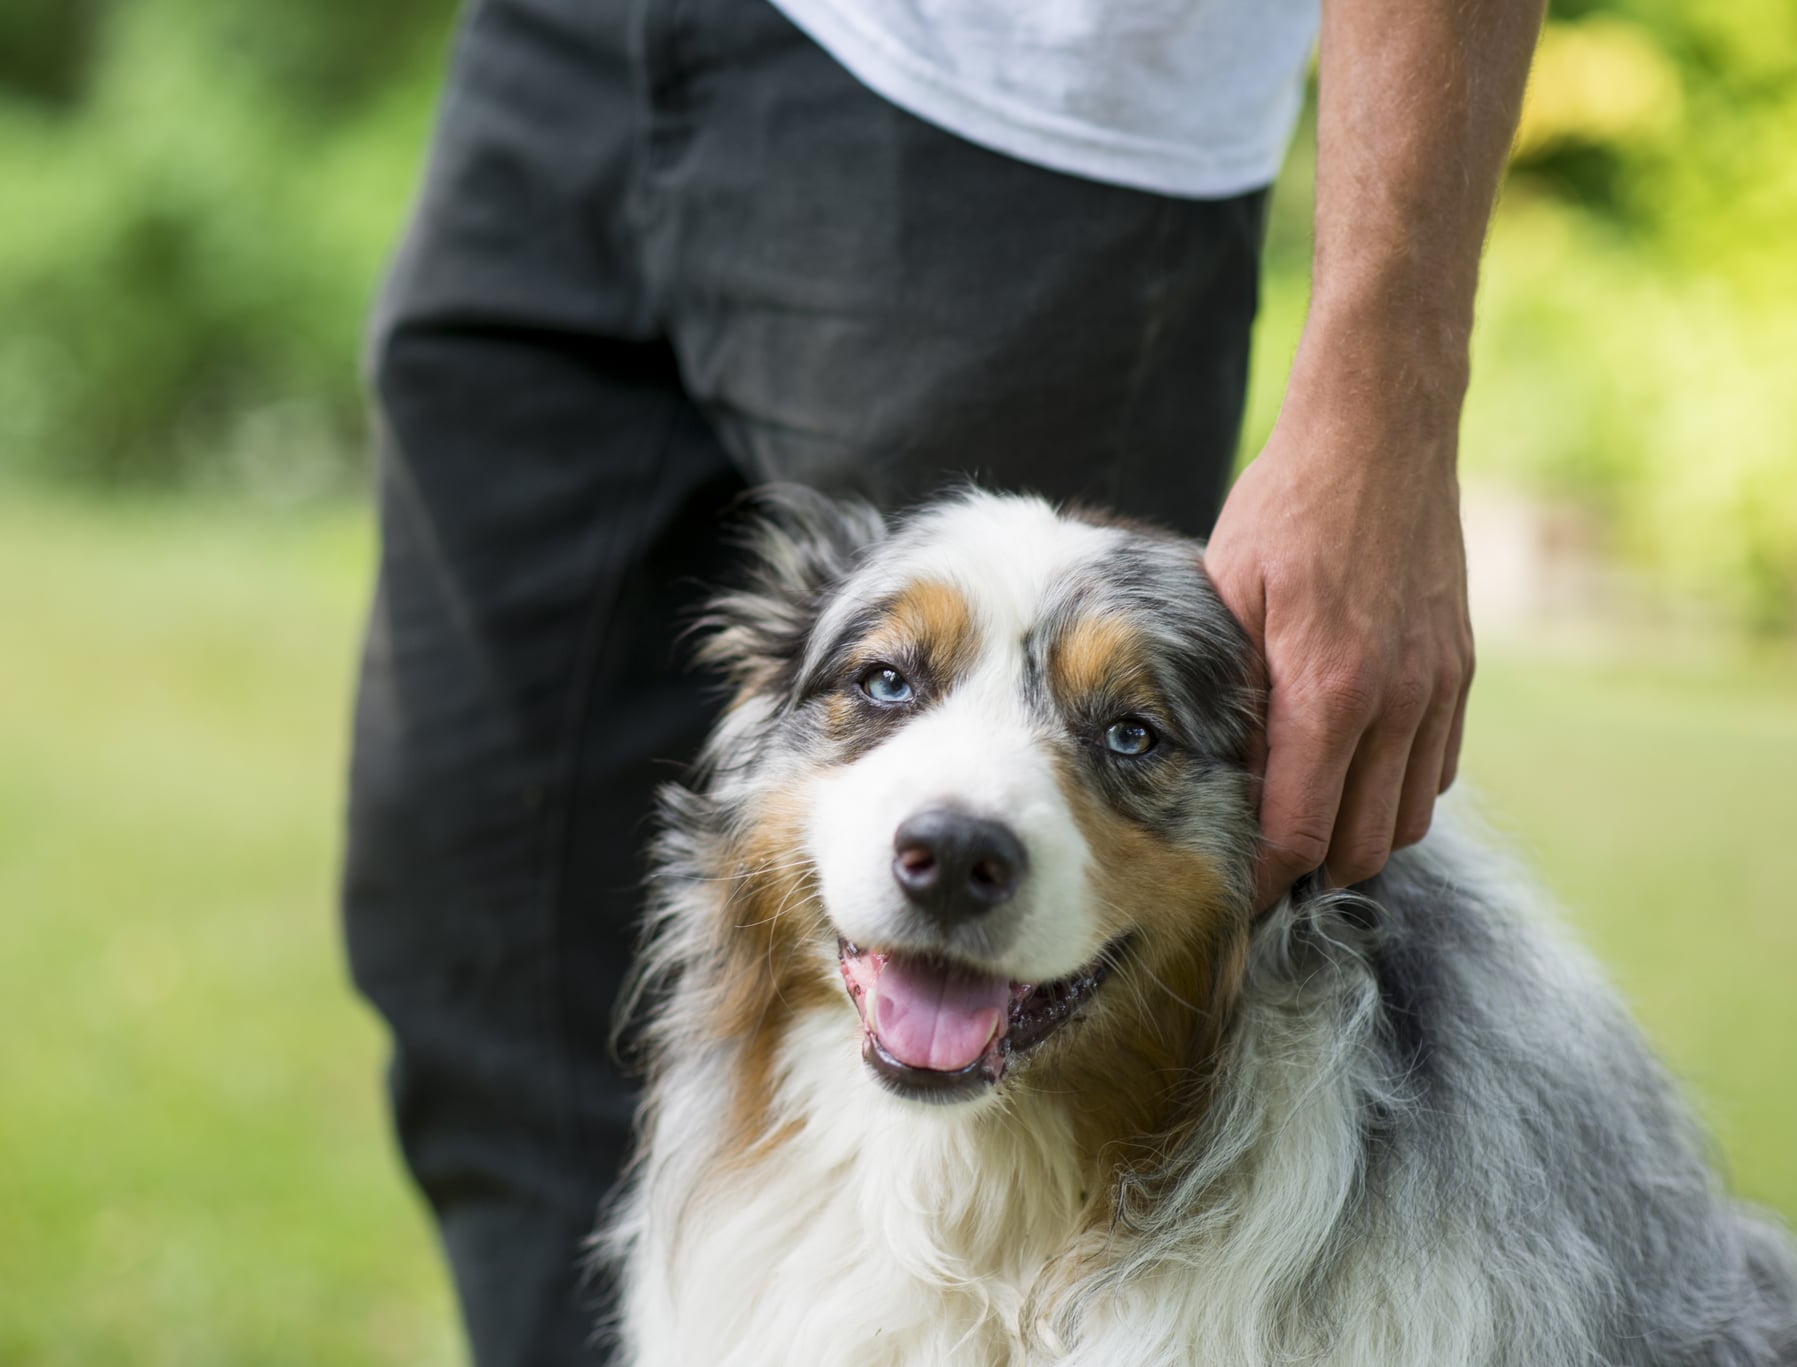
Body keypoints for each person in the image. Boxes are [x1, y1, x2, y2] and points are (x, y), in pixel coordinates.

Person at [341, 0, 1543, 1360]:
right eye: (890, 684)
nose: (954, 813)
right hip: (564, 52)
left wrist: (1389, 379)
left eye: (1128, 733)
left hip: (1036, 107)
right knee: (476, 928)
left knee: (1070, 1101)